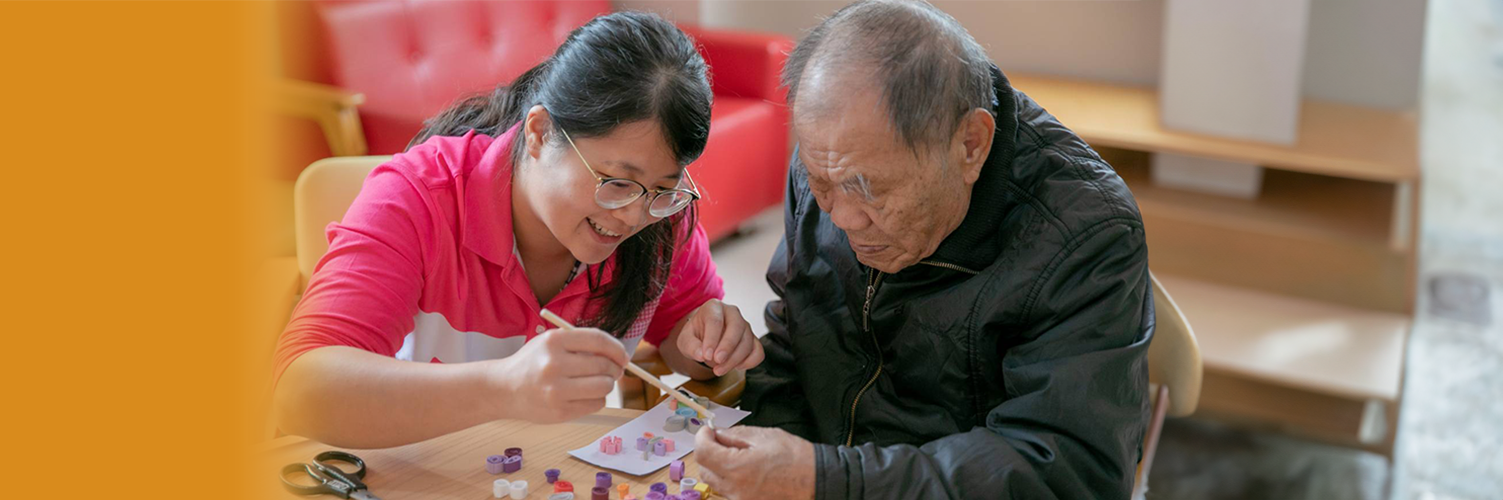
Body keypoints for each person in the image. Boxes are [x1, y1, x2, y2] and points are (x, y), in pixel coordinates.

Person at [692, 1, 1153, 498]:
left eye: (869, 190)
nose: (843, 218)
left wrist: (826, 479)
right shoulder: (833, 158)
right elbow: (796, 342)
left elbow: (1070, 472)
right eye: (822, 183)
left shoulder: (1086, 232)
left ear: (971, 145)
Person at [273, 12, 764, 449]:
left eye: (663, 188)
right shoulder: (419, 197)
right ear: (539, 133)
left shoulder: (662, 217)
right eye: (615, 182)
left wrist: (707, 343)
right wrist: (503, 387)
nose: (634, 216)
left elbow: (683, 335)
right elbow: (301, 391)